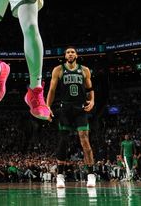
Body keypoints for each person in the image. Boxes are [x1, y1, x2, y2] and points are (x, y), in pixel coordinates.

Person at [46, 47, 96, 188]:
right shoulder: (58, 69)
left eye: (72, 52)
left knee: (85, 140)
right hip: (65, 109)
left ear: (76, 55)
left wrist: (92, 101)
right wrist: (47, 107)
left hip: (80, 108)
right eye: (68, 52)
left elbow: (90, 89)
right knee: (63, 141)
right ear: (65, 56)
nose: (70, 54)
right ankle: (60, 176)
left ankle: (91, 175)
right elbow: (52, 90)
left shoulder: (85, 70)